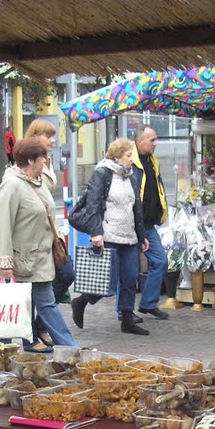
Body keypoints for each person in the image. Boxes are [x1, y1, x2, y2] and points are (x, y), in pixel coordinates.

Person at [0, 137, 79, 347]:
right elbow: (2, 224)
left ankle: (70, 349)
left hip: (41, 259)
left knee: (40, 306)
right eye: (43, 158)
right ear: (31, 160)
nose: (46, 161)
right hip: (22, 261)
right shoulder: (12, 185)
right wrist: (4, 264)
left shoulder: (38, 183)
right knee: (10, 309)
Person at [69, 139, 150, 335]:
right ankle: (81, 301)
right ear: (116, 156)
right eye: (128, 155)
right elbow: (93, 206)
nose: (132, 159)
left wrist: (142, 236)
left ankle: (127, 319)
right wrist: (96, 233)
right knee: (106, 281)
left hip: (129, 236)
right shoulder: (103, 174)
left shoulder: (131, 177)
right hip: (108, 235)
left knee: (130, 279)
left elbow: (135, 209)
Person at [20, 119, 75, 350]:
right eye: (47, 136)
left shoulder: (45, 164)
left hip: (49, 239)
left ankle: (38, 328)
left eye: (53, 136)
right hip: (31, 244)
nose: (52, 140)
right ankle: (32, 334)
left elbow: (48, 187)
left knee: (65, 275)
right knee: (33, 292)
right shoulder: (25, 171)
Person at [132, 125, 171, 319]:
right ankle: (123, 312)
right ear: (140, 142)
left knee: (161, 261)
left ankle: (148, 303)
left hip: (148, 225)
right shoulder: (130, 162)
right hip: (131, 226)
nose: (156, 143)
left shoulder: (153, 162)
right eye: (152, 140)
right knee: (127, 271)